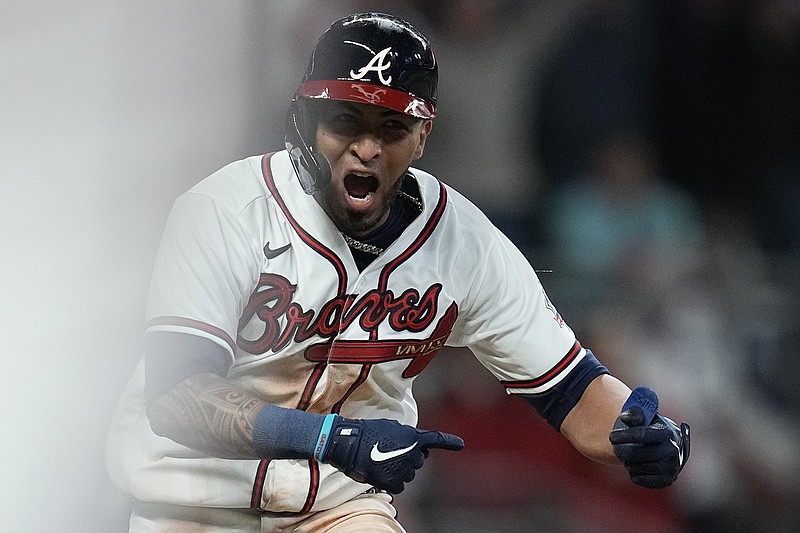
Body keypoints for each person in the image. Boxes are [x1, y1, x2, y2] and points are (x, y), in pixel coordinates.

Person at [106, 12, 690, 532]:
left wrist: (637, 437)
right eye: (345, 121)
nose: (365, 147)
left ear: (423, 134)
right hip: (191, 501)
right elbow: (176, 393)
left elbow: (571, 388)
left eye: (390, 128)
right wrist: (327, 439)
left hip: (336, 509)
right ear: (306, 120)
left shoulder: (465, 244)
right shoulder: (224, 212)